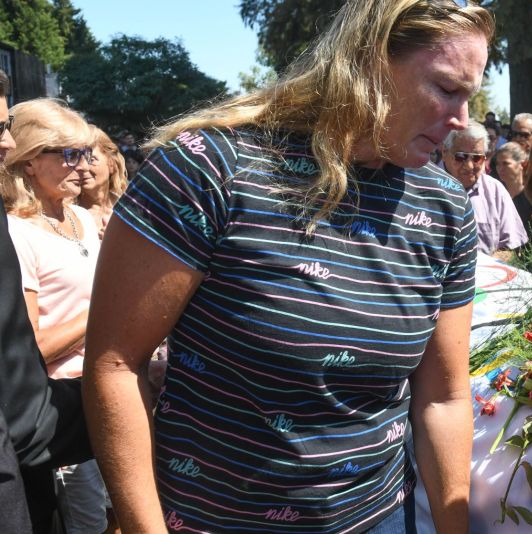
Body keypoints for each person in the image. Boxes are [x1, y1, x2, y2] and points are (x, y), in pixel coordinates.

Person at [82, 2, 494, 533]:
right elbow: (115, 366)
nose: (462, 119)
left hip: (378, 519)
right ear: (368, 63)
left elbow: (443, 394)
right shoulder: (209, 170)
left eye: (469, 95)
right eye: (445, 88)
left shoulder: (445, 208)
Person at [2, 99, 112, 534]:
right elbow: (28, 351)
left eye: (86, 153)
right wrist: (106, 314)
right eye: (68, 153)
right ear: (29, 161)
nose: (83, 166)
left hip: (106, 398)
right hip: (59, 417)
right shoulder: (15, 233)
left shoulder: (85, 218)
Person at [442, 122, 527, 258]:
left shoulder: (495, 190)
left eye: (477, 158)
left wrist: (488, 267)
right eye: (461, 157)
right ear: (444, 153)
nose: (469, 165)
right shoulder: (426, 186)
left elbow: (513, 247)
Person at [78, 126, 128, 237]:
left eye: (91, 159)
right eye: (76, 160)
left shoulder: (129, 207)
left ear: (111, 164)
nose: (82, 167)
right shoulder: (67, 214)